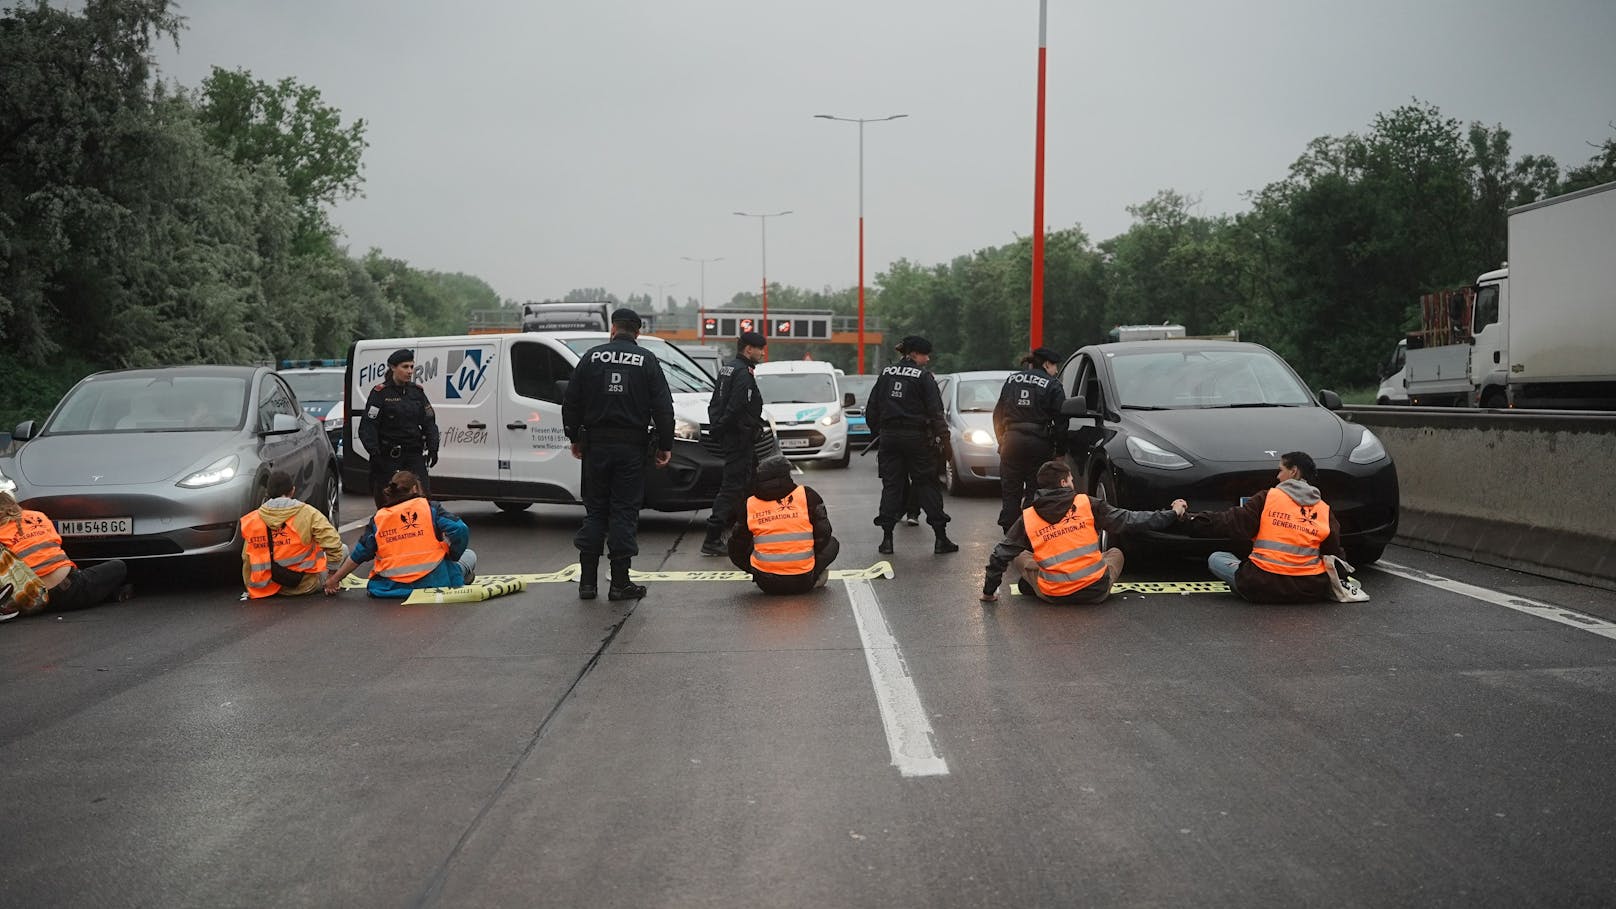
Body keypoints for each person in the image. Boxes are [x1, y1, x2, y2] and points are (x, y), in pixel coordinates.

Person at [561, 308, 675, 601]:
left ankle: (587, 583)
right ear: (637, 332)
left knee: (596, 510)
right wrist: (665, 445)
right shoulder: (647, 361)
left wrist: (574, 437)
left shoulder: (591, 358)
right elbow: (663, 406)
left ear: (613, 329)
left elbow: (571, 401)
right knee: (624, 511)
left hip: (596, 447)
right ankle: (620, 582)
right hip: (631, 449)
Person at [980, 460, 1186, 605]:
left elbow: (1000, 554)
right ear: (1063, 483)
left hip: (1054, 594)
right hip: (1095, 591)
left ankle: (1035, 582)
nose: (1073, 483)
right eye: (1070, 480)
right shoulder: (1087, 503)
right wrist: (1171, 513)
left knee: (1020, 555)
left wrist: (989, 592)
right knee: (1115, 554)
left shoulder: (1029, 516)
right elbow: (1131, 520)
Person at [1186, 451, 1345, 604]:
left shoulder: (1268, 497)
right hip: (1308, 589)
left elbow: (1231, 522)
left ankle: (1244, 588)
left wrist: (1190, 519)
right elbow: (1333, 552)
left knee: (1217, 558)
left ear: (1294, 472)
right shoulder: (1324, 509)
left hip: (1261, 585)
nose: (1277, 476)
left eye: (1281, 470)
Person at [323, 470, 477, 598]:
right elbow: (459, 529)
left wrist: (335, 579)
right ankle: (461, 574)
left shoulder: (379, 518)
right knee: (469, 556)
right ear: (415, 489)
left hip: (390, 586)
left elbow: (359, 554)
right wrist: (453, 554)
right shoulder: (428, 508)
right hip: (433, 581)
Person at [867, 335, 957, 555]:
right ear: (914, 354)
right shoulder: (924, 377)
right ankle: (940, 538)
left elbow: (872, 409)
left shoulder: (886, 374)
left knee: (891, 487)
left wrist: (879, 432)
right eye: (925, 355)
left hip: (889, 437)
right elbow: (936, 413)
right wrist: (945, 442)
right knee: (926, 485)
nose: (927, 359)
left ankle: (887, 540)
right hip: (916, 439)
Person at [0, 491, 131, 613]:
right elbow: (56, 543)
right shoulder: (38, 516)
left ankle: (107, 593)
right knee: (118, 566)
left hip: (31, 598)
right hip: (70, 588)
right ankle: (111, 592)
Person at [727, 455, 840, 594]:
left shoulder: (750, 503)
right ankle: (814, 576)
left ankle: (764, 573)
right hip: (803, 580)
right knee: (832, 543)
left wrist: (756, 570)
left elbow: (736, 546)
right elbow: (824, 535)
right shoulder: (807, 495)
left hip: (766, 583)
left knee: (740, 541)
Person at [700, 331, 768, 556]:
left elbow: (715, 403)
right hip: (739, 438)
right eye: (760, 349)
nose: (762, 353)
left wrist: (718, 427)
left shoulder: (728, 368)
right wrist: (728, 427)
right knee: (732, 487)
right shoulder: (742, 373)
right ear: (749, 349)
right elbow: (737, 406)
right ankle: (712, 537)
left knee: (749, 485)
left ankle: (746, 532)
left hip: (734, 436)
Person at [239, 470, 347, 599]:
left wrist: (251, 586)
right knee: (344, 549)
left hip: (265, 587)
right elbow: (333, 544)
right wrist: (332, 576)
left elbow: (246, 558)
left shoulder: (252, 519)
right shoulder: (308, 513)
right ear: (292, 491)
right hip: (304, 585)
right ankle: (331, 583)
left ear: (268, 493)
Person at [993, 347, 1067, 533]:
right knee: (1035, 490)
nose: (1056, 370)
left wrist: (1002, 440)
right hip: (1039, 444)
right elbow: (1061, 421)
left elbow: (998, 414)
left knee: (1010, 491)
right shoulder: (1052, 384)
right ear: (1046, 364)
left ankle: (1009, 535)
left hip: (1011, 441)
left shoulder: (1012, 380)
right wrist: (1060, 451)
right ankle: (1029, 533)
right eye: (1054, 365)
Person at [359, 348, 440, 508]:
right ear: (393, 367)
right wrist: (374, 453)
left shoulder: (416, 392)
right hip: (388, 457)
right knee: (388, 504)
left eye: (411, 367)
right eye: (405, 367)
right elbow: (368, 426)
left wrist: (433, 447)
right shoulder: (380, 393)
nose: (410, 371)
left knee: (422, 501)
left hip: (413, 455)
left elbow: (429, 422)